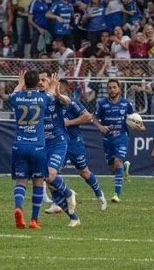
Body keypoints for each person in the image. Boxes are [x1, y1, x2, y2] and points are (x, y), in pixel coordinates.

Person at [48, 78, 106, 212]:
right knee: (50, 173)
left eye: (59, 87)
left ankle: (99, 194)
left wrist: (69, 123)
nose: (56, 90)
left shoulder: (72, 103)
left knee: (84, 172)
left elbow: (88, 117)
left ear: (65, 89)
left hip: (74, 142)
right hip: (57, 143)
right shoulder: (50, 102)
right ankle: (57, 203)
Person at [9, 70, 54, 229]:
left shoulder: (16, 97)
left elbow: (14, 92)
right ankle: (34, 220)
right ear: (37, 84)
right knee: (38, 182)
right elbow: (52, 93)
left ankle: (19, 207)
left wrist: (20, 84)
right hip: (38, 146)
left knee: (21, 181)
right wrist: (53, 84)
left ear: (24, 82)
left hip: (19, 144)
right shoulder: (44, 98)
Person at [37, 70, 80, 227]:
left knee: (50, 175)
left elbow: (67, 101)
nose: (40, 82)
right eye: (38, 80)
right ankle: (74, 217)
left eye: (44, 80)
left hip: (58, 142)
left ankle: (69, 192)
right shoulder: (36, 98)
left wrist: (58, 94)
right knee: (50, 184)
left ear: (50, 82)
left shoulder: (55, 97)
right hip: (42, 144)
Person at [93, 78, 144, 203]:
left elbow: (136, 121)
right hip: (107, 139)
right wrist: (100, 127)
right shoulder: (102, 103)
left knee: (117, 162)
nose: (112, 90)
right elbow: (93, 118)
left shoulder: (126, 104)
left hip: (121, 137)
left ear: (119, 89)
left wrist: (140, 127)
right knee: (113, 168)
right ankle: (125, 168)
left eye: (114, 87)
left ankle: (117, 194)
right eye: (109, 88)